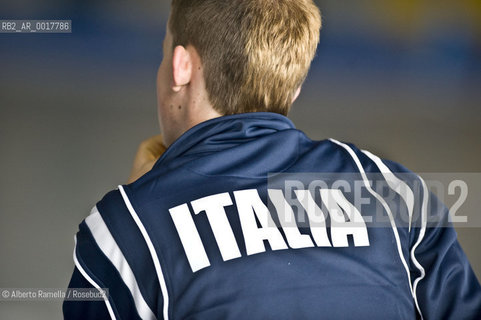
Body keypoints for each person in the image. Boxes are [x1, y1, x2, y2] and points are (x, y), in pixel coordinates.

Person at [63, 0, 481, 319]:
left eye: (163, 51)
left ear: (181, 67)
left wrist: (138, 217)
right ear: (295, 87)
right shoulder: (389, 191)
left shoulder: (120, 231)